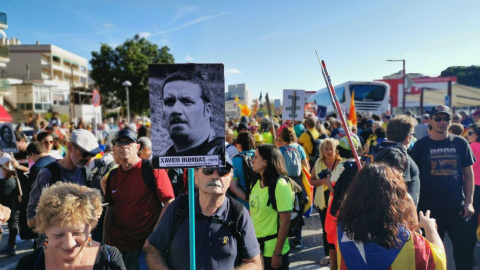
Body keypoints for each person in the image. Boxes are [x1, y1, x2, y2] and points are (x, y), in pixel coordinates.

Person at [146, 155, 262, 270]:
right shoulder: (178, 207)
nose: (215, 176)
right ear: (195, 176)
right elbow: (154, 252)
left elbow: (255, 264)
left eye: (223, 170)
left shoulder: (238, 212)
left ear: (230, 177)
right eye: (208, 169)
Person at [336, 163, 446, 269]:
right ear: (396, 200)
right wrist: (429, 226)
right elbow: (439, 262)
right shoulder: (410, 244)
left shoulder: (342, 232)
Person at [410, 105, 476, 270]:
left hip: (457, 207)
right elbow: (413, 179)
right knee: (429, 254)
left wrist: (469, 202)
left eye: (446, 118)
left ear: (450, 120)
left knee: (464, 253)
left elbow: (469, 174)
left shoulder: (460, 143)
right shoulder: (420, 146)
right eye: (438, 118)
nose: (442, 122)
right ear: (430, 121)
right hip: (429, 210)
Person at [103, 129, 175, 270]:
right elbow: (110, 209)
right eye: (120, 143)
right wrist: (105, 242)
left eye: (128, 142)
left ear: (137, 147)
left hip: (146, 248)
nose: (124, 146)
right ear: (114, 149)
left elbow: (169, 202)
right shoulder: (112, 176)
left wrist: (153, 238)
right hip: (119, 249)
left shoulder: (151, 168)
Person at [16, 182, 126, 269]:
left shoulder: (109, 258)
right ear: (45, 231)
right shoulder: (29, 264)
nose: (69, 244)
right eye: (58, 235)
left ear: (91, 227)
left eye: (78, 233)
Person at [27, 129, 101, 230]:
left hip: (79, 240)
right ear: (70, 147)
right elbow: (31, 219)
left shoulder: (86, 172)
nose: (88, 159)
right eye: (84, 154)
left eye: (92, 155)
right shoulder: (48, 173)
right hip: (53, 242)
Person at [161, 71, 224, 157]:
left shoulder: (221, 155)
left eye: (187, 101)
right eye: (169, 102)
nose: (176, 110)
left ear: (207, 110)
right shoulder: (162, 158)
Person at [250, 144, 293, 270]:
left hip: (273, 251)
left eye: (255, 157)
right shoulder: (256, 182)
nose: (252, 160)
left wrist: (277, 252)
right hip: (256, 249)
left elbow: (286, 221)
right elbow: (252, 212)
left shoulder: (280, 185)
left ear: (265, 162)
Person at [375, 115, 420, 206]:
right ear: (408, 138)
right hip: (400, 214)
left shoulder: (377, 150)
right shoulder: (399, 156)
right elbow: (400, 190)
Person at [309, 138, 341, 267]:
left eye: (331, 149)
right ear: (322, 150)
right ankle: (328, 255)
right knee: (326, 228)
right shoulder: (318, 162)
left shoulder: (341, 162)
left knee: (339, 227)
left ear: (336, 149)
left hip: (337, 198)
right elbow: (312, 181)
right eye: (325, 149)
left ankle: (340, 253)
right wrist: (324, 181)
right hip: (323, 199)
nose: (328, 151)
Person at [278, 127, 308, 249]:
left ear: (281, 137)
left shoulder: (279, 150)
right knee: (298, 209)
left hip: (285, 182)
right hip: (298, 182)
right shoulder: (299, 148)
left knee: (284, 209)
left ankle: (284, 237)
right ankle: (298, 239)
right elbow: (306, 165)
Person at [229, 132, 257, 208]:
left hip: (244, 206)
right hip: (265, 203)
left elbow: (233, 187)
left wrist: (249, 199)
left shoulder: (235, 161)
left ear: (239, 145)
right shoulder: (262, 156)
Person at [466, 123, 480, 250]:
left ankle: (470, 252)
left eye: (470, 133)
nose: (467, 135)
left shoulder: (470, 147)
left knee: (471, 222)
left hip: (474, 187)